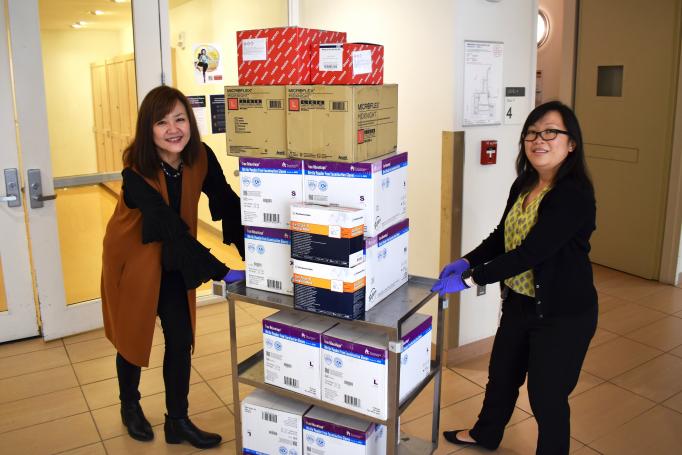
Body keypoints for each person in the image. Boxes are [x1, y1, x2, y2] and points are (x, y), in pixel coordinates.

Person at [432, 101, 597, 455]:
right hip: (520, 304)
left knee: (546, 396)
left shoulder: (573, 195)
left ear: (572, 143)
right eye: (532, 133)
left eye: (551, 132)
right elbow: (501, 238)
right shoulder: (525, 183)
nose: (539, 139)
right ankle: (485, 434)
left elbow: (530, 253)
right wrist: (465, 261)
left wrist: (472, 279)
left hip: (562, 313)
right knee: (502, 377)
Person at [101, 85, 245, 449]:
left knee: (181, 340)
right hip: (132, 261)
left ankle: (177, 422)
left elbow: (227, 203)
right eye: (161, 122)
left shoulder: (200, 156)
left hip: (172, 257)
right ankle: (129, 405)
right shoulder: (136, 172)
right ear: (147, 130)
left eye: (180, 119)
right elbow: (166, 224)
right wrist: (221, 271)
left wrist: (257, 254)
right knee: (132, 336)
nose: (173, 129)